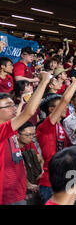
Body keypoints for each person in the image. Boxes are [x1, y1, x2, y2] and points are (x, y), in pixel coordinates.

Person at [0, 71, 51, 205]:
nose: (14, 108)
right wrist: (43, 82)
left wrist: (27, 183)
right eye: (8, 106)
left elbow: (16, 161)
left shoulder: (10, 131)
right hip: (7, 195)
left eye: (13, 104)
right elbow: (29, 112)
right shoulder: (1, 130)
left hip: (19, 190)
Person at [36, 70, 76, 203]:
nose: (65, 108)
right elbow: (65, 99)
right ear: (51, 110)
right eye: (61, 106)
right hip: (51, 182)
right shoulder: (45, 126)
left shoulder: (60, 127)